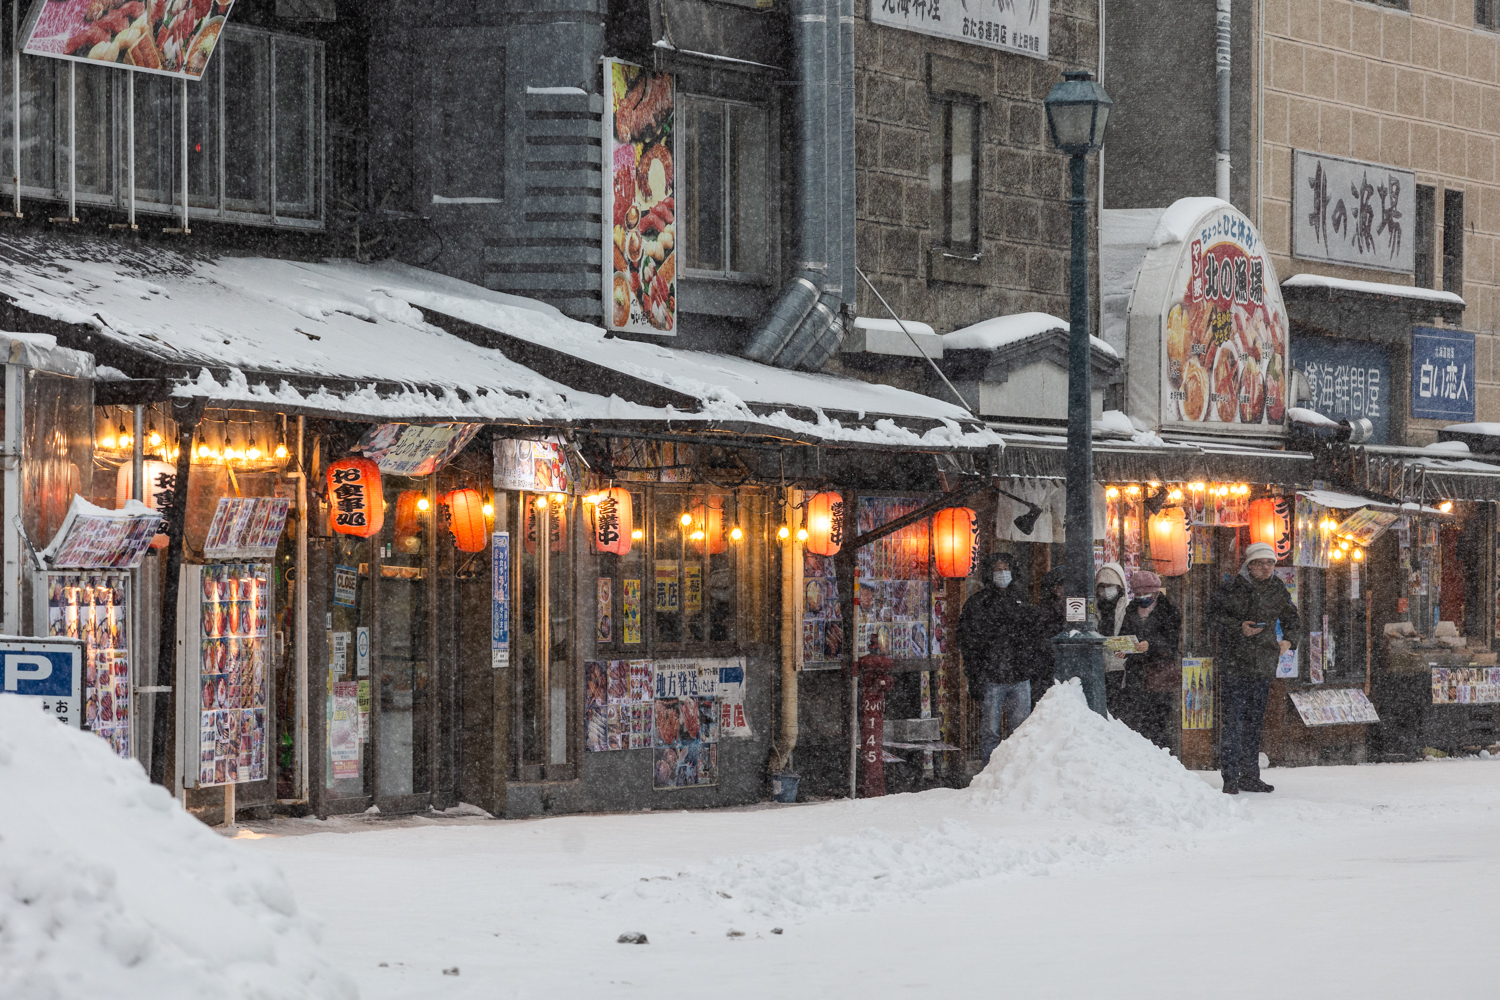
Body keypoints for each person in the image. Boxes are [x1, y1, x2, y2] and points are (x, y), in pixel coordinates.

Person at [1208, 541, 1300, 794]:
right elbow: (1212, 617)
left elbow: (1292, 618)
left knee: (1254, 722)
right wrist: (1239, 627)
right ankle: (1230, 777)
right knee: (1233, 721)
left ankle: (1250, 775)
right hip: (1234, 663)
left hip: (1263, 662)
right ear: (1249, 565)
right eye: (1261, 563)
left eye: (1270, 563)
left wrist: (1288, 641)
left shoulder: (1278, 589)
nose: (1267, 567)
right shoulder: (1231, 587)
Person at [958, 552, 1032, 765]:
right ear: (989, 574)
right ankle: (990, 772)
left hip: (1019, 674)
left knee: (1021, 729)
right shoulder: (978, 603)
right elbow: (968, 641)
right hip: (991, 676)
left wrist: (1028, 661)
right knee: (990, 730)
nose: (1002, 574)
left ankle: (1018, 769)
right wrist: (975, 675)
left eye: (1005, 569)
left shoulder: (1021, 599)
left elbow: (1032, 634)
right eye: (997, 570)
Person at [1115, 570, 1182, 748]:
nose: (1143, 597)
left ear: (1156, 592)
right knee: (1135, 719)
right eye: (1138, 594)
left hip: (1159, 673)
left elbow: (1171, 643)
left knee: (1158, 721)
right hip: (1135, 673)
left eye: (1147, 594)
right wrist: (1124, 649)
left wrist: (1150, 645)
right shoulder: (1131, 610)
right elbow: (1125, 634)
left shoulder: (1170, 611)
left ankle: (1160, 756)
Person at [1095, 562, 1130, 714]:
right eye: (1102, 586)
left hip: (1120, 668)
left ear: (1120, 586)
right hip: (1097, 667)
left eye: (1110, 585)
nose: (1106, 590)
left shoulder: (1128, 608)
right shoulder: (1093, 609)